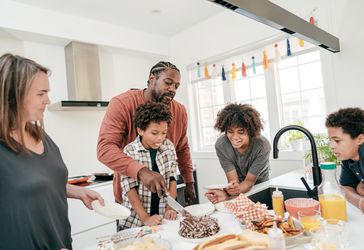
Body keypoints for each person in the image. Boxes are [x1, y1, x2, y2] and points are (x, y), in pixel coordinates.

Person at [0, 53, 104, 249]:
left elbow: (36, 185)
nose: (47, 100)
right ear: (13, 95)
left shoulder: (42, 137)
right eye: (41, 94)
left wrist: (77, 191)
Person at [97, 61, 196, 205]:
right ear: (151, 80)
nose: (172, 89)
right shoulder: (122, 103)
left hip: (165, 201)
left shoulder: (180, 111)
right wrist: (141, 172)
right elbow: (105, 149)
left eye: (176, 86)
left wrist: (189, 181)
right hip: (131, 201)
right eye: (168, 82)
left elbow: (182, 148)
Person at [119, 102, 178, 230]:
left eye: (164, 133)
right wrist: (145, 218)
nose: (160, 138)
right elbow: (129, 188)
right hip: (136, 220)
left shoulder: (168, 146)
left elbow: (172, 179)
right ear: (140, 130)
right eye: (155, 133)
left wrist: (169, 209)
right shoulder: (129, 151)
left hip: (162, 219)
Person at [205, 103, 271, 204]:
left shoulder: (262, 146)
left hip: (260, 183)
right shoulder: (221, 145)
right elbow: (233, 182)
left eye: (241, 132)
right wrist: (228, 192)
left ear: (251, 131)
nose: (235, 137)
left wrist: (228, 193)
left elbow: (249, 181)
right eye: (230, 131)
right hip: (240, 185)